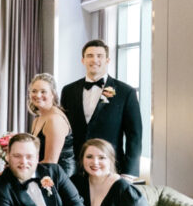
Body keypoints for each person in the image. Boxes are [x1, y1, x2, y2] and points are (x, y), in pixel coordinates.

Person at [60, 39, 143, 176]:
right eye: (90, 56)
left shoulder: (125, 92)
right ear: (83, 60)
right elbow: (64, 131)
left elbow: (135, 136)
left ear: (107, 60)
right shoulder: (68, 91)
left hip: (110, 168)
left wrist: (129, 173)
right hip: (75, 169)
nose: (95, 60)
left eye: (99, 56)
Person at [27, 73, 75, 175]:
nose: (38, 95)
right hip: (43, 173)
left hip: (59, 179)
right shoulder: (38, 118)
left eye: (43, 91)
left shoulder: (55, 120)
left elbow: (50, 163)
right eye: (34, 91)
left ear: (52, 94)